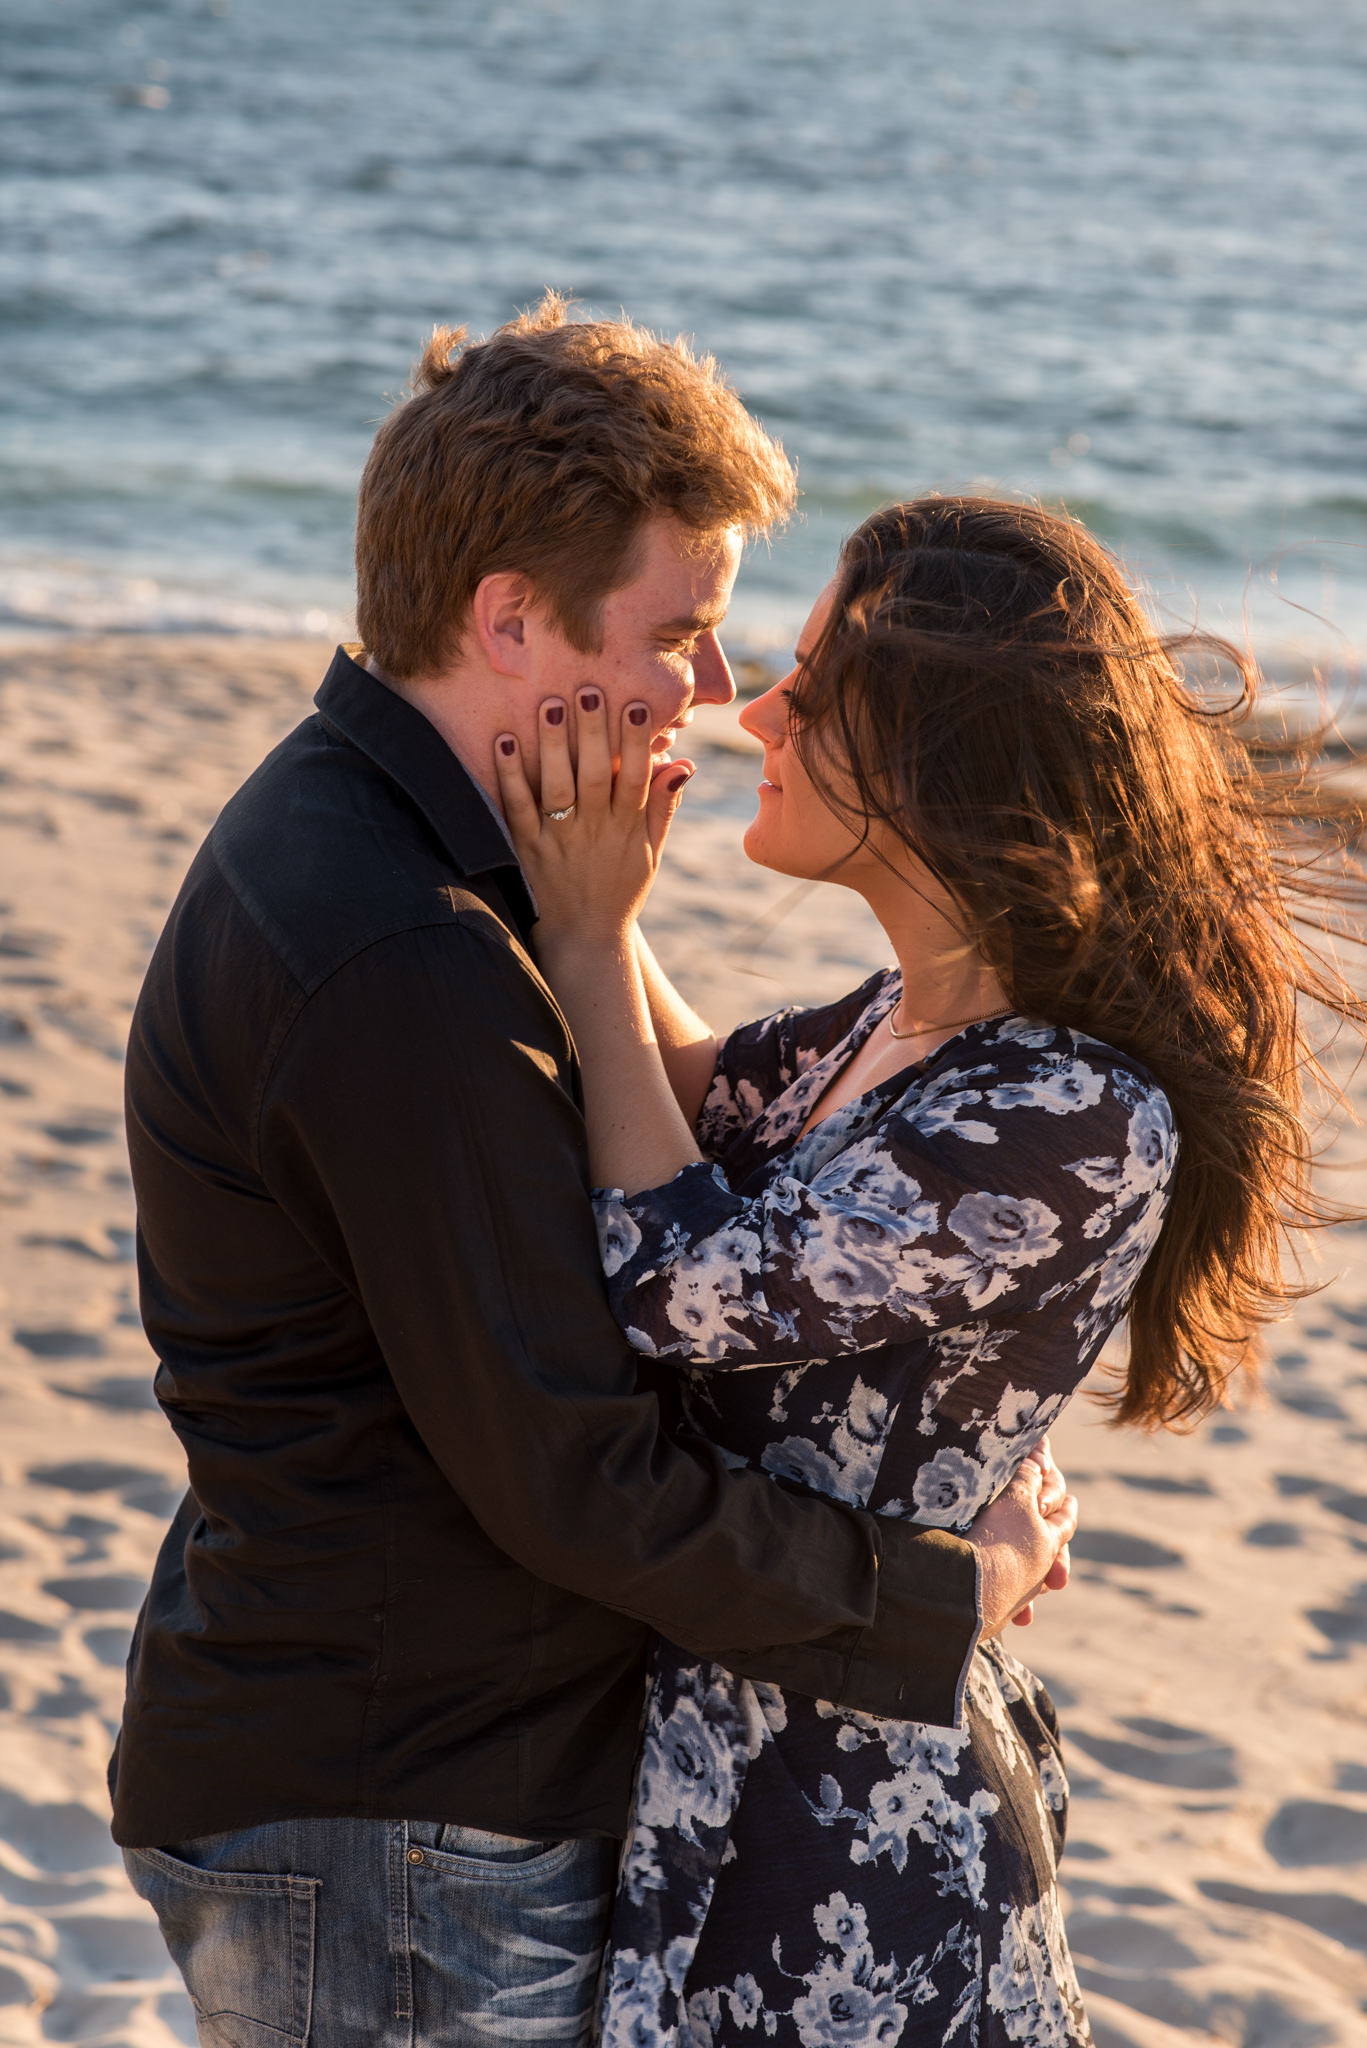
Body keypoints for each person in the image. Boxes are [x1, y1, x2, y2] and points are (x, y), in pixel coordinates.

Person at [113, 305, 1078, 2048]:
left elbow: (714, 1154)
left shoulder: (414, 864)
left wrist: (594, 930)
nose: (714, 691)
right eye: (683, 633)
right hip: (397, 1813)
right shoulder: (396, 955)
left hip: (394, 1780)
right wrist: (947, 1598)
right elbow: (582, 1481)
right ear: (510, 623)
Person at [497, 494, 1365, 2046]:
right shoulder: (897, 1024)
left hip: (859, 1839)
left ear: (931, 756)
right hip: (745, 1761)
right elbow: (685, 1092)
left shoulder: (1074, 1113)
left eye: (813, 688)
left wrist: (585, 933)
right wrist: (583, 866)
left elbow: (674, 1279)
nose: (752, 705)